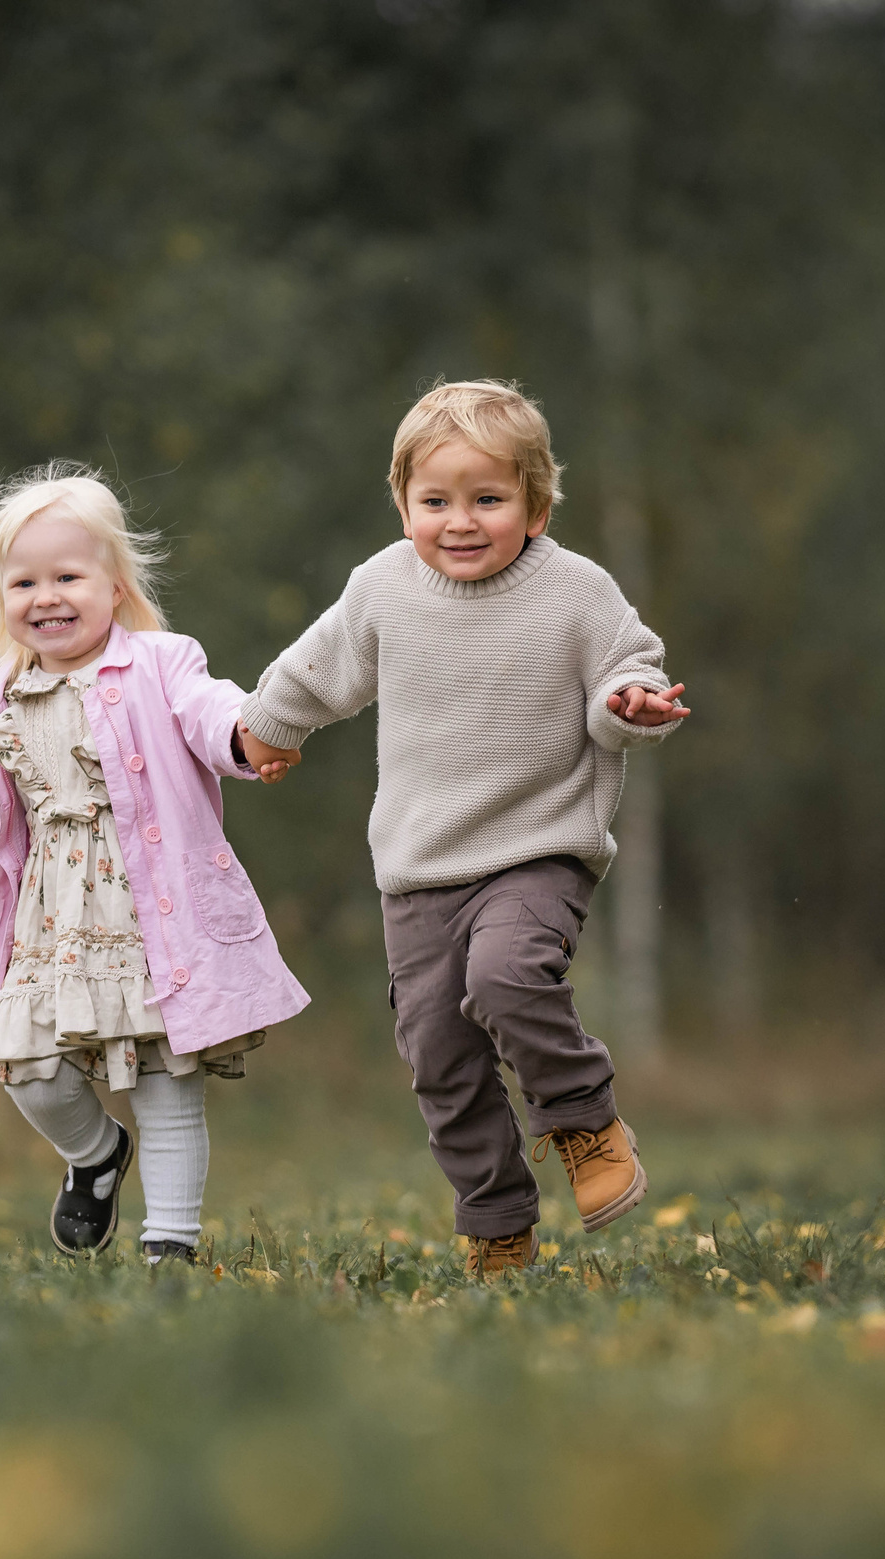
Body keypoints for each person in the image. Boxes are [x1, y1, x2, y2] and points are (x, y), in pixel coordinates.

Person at [237, 380, 689, 1277]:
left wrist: (632, 702)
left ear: (536, 506)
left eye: (488, 499)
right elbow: (316, 667)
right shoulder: (383, 587)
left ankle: (585, 1123)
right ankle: (495, 1224)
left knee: (506, 977)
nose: (461, 521)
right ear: (404, 505)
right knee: (439, 1055)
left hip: (537, 848)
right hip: (418, 869)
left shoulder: (575, 590)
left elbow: (626, 667)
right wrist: (267, 727)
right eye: (436, 501)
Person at [0, 465, 308, 1265]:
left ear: (115, 586)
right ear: (0, 599)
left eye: (67, 576)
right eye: (24, 582)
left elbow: (211, 712)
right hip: (50, 926)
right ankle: (95, 1152)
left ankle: (170, 1251)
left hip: (154, 917)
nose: (46, 596)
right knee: (29, 1067)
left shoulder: (162, 662)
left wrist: (247, 735)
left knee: (165, 1081)